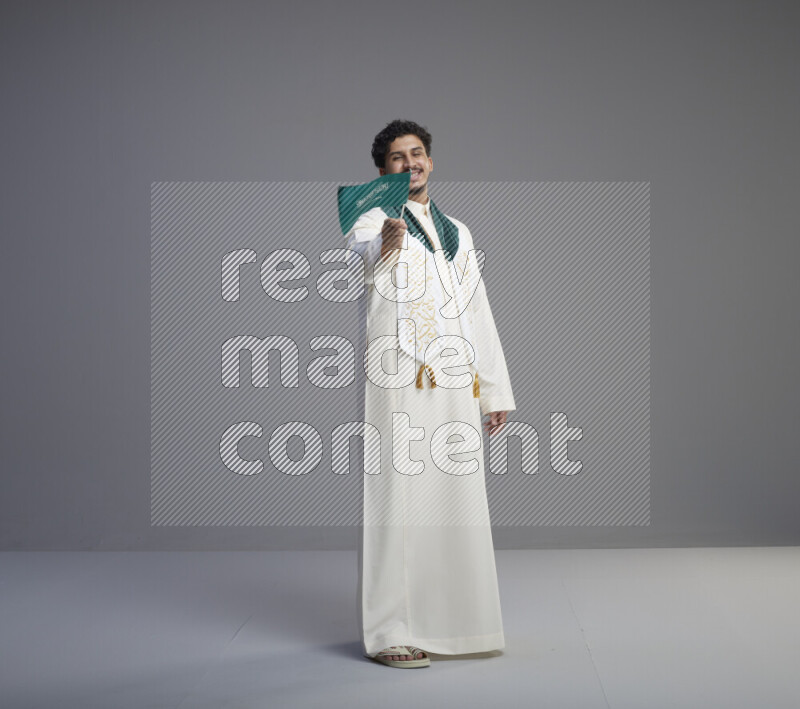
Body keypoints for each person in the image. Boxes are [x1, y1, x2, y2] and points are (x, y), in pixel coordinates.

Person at [345, 119, 516, 668]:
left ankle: (454, 625)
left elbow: (476, 308)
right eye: (398, 157)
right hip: (399, 373)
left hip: (453, 379)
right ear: (383, 170)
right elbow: (367, 253)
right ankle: (391, 631)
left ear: (431, 162)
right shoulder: (373, 213)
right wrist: (385, 244)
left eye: (417, 153)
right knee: (398, 500)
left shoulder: (458, 230)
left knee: (454, 502)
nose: (410, 163)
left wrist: (493, 390)